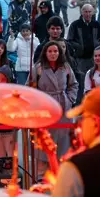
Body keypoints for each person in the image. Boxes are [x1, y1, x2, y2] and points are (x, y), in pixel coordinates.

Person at [29, 41, 78, 171]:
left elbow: (73, 84)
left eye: (55, 51)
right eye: (50, 51)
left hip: (63, 106)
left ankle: (61, 173)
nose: (53, 54)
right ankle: (41, 174)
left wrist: (70, 99)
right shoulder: (38, 68)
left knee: (63, 143)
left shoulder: (66, 66)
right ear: (45, 52)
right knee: (44, 144)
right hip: (45, 108)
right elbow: (29, 88)